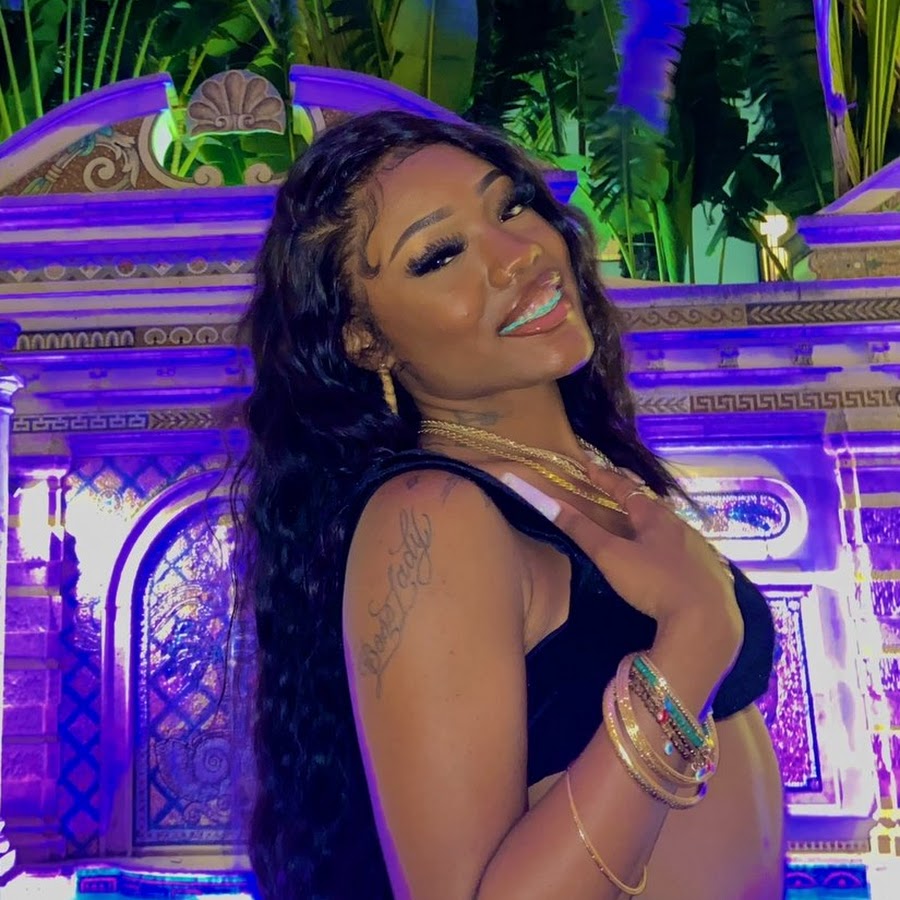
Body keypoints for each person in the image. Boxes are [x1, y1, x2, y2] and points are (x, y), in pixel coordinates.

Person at [235, 109, 784, 900]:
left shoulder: (592, 474)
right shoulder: (430, 516)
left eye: (511, 205)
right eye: (441, 255)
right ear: (365, 339)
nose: (517, 254)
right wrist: (697, 637)